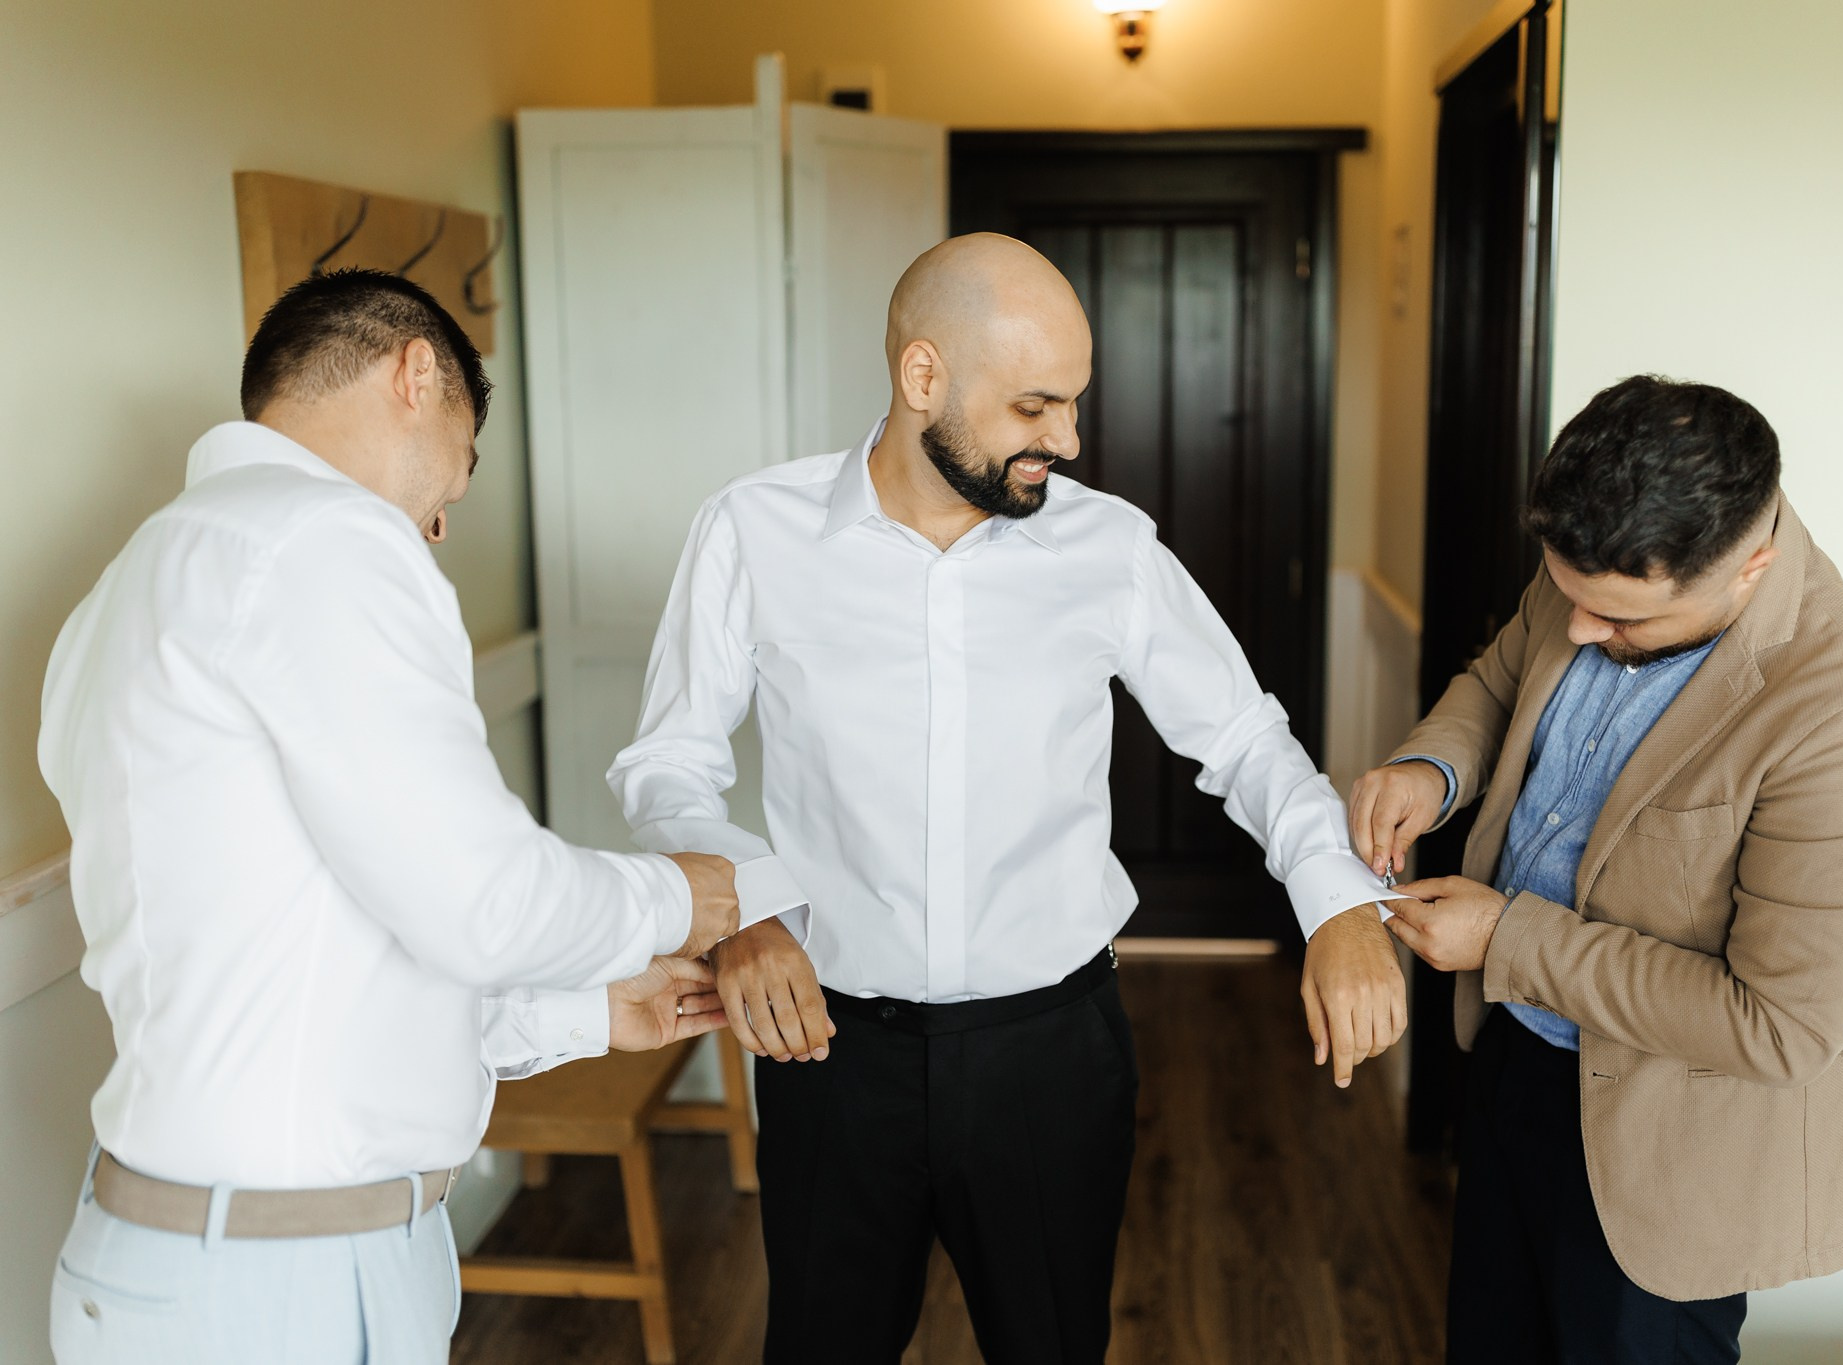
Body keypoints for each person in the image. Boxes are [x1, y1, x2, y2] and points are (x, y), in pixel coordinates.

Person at [608, 232, 1407, 1363]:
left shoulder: (1109, 548)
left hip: (1052, 1058)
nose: (1067, 441)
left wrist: (1337, 908)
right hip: (827, 1057)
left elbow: (1241, 738)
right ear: (920, 376)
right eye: (1036, 406)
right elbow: (666, 765)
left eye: (1074, 406)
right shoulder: (751, 532)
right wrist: (741, 913)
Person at [37, 269, 767, 1364]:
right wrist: (691, 892)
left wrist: (585, 1012)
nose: (434, 527)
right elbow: (483, 902)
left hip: (167, 1262)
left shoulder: (118, 595)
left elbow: (319, 957)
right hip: (280, 1289)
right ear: (415, 373)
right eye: (456, 484)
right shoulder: (325, 539)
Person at [1352, 375, 1843, 1363]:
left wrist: (1506, 936)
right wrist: (1432, 764)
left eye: (1618, 622)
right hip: (1512, 1067)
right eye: (1566, 597)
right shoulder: (1596, 562)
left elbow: (1776, 1026)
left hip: (1669, 1154)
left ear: (1747, 570)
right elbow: (1502, 675)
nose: (1578, 631)